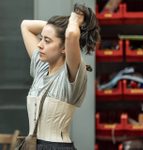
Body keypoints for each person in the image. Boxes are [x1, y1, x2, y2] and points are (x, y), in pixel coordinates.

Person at [20, 3, 100, 150]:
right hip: (32, 145)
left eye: (47, 40)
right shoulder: (41, 67)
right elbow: (26, 25)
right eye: (41, 38)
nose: (40, 45)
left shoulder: (72, 72)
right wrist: (53, 30)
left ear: (64, 48)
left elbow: (70, 35)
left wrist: (75, 21)